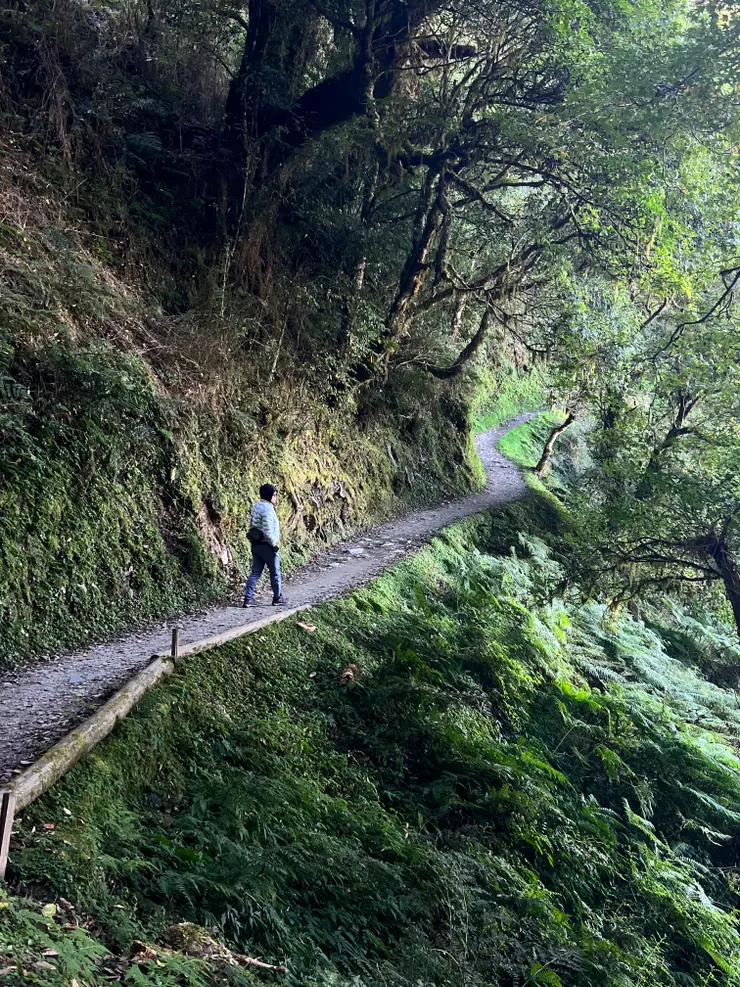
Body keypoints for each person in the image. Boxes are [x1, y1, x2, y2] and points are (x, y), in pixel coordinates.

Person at [243, 483, 288, 606]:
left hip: (256, 544)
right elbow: (267, 530)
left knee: (255, 572)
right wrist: (273, 545)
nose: (276, 498)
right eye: (274, 495)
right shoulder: (268, 509)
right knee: (275, 572)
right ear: (269, 496)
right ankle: (277, 597)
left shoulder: (256, 506)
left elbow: (252, 525)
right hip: (267, 545)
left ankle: (248, 598)